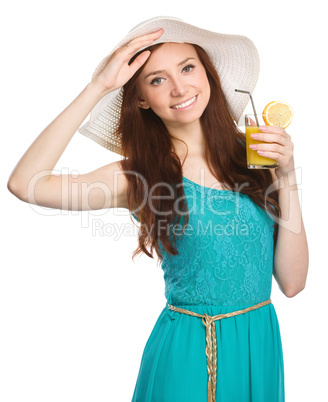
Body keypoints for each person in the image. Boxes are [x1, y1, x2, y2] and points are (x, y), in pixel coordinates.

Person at [7, 16, 308, 402]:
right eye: (157, 79)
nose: (179, 87)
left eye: (187, 68)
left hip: (258, 348)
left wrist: (287, 176)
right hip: (184, 355)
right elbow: (26, 183)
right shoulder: (138, 176)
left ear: (208, 74)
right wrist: (98, 86)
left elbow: (294, 282)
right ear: (140, 98)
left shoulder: (253, 157)